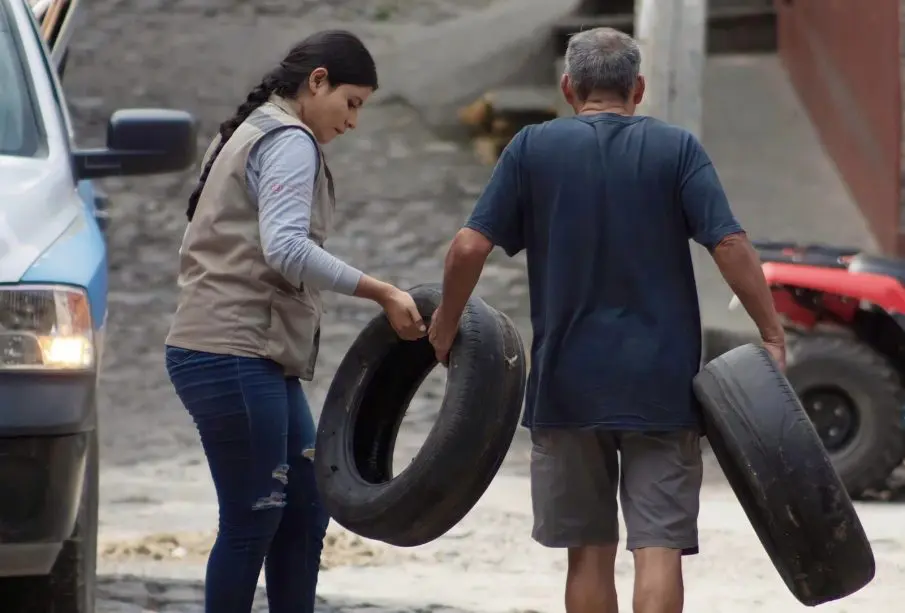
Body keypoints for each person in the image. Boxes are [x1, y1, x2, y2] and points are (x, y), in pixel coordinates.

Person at [428, 27, 784, 613]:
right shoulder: (677, 150)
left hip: (568, 386)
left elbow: (467, 248)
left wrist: (445, 324)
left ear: (569, 88)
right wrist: (771, 333)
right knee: (659, 548)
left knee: (589, 553)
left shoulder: (532, 149)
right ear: (638, 88)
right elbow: (730, 245)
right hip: (662, 388)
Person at [164, 30, 426, 613]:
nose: (353, 122)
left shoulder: (253, 127)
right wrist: (381, 290)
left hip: (255, 357)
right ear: (317, 81)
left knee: (306, 509)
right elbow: (284, 248)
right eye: (351, 103)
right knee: (253, 519)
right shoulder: (289, 140)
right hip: (228, 353)